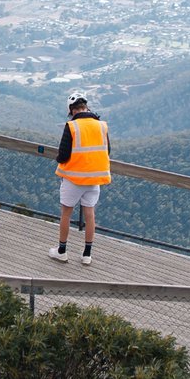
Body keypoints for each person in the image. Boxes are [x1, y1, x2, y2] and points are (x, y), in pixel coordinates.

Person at [52, 94, 110, 263]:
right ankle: (87, 255)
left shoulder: (72, 126)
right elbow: (107, 151)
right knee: (90, 215)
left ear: (72, 111)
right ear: (87, 107)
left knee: (66, 214)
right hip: (95, 178)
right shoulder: (102, 126)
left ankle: (62, 251)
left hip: (74, 178)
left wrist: (58, 160)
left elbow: (63, 156)